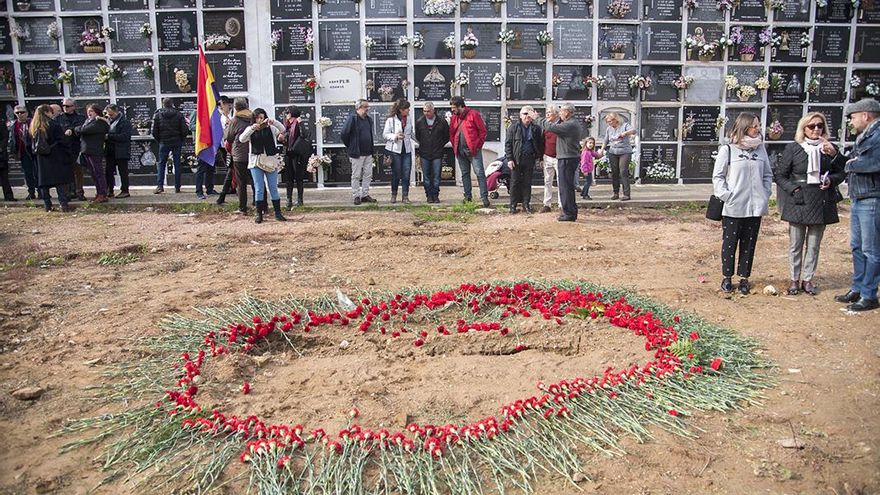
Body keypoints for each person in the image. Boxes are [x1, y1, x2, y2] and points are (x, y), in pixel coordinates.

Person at [774, 112, 846, 296]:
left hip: (821, 199)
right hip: (799, 199)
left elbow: (842, 171)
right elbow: (780, 175)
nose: (816, 129)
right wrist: (794, 189)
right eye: (812, 126)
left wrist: (831, 178)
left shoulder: (829, 148)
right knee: (795, 244)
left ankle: (807, 279)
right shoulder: (794, 148)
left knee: (813, 245)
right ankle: (794, 279)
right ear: (803, 128)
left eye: (820, 125)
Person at [712, 112, 773, 295]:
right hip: (734, 206)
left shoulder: (760, 149)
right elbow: (718, 176)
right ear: (744, 127)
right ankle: (727, 277)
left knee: (749, 243)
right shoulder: (728, 149)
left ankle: (744, 278)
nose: (757, 129)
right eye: (754, 126)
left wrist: (765, 193)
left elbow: (767, 174)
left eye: (758, 125)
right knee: (730, 243)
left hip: (755, 207)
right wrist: (726, 196)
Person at [834, 99, 880, 312]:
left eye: (853, 117)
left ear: (865, 115)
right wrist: (835, 155)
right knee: (857, 246)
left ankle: (869, 294)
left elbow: (873, 163)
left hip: (873, 197)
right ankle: (858, 288)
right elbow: (850, 161)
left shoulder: (878, 135)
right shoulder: (866, 135)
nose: (851, 122)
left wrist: (851, 164)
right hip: (859, 196)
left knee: (872, 249)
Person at [530, 103, 584, 222]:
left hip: (567, 158)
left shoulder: (569, 124)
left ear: (567, 112)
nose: (560, 113)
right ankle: (570, 211)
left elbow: (552, 128)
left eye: (561, 111)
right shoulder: (571, 123)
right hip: (567, 157)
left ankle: (568, 213)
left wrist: (537, 118)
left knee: (565, 186)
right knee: (567, 186)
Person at [238, 108, 286, 224]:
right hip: (256, 161)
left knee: (273, 187)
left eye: (262, 117)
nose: (260, 120)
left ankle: (278, 213)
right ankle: (259, 213)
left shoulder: (271, 128)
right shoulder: (251, 129)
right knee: (259, 188)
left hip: (270, 161)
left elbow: (282, 129)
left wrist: (273, 122)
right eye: (257, 118)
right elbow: (242, 139)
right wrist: (252, 129)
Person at [30, 104, 72, 212]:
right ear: (46, 112)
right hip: (55, 155)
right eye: (50, 111)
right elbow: (62, 141)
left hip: (41, 158)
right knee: (59, 182)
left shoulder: (34, 126)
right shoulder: (53, 124)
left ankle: (47, 205)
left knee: (44, 183)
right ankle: (63, 204)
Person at [449, 96, 489, 207]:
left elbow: (482, 131)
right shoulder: (454, 118)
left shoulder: (474, 115)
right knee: (465, 174)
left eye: (454, 107)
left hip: (473, 151)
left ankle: (484, 197)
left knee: (479, 173)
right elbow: (452, 133)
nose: (452, 110)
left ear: (460, 106)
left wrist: (477, 146)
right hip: (460, 151)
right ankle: (467, 197)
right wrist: (454, 145)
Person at [504, 105, 543, 214]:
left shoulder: (536, 128)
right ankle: (513, 205)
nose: (527, 116)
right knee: (514, 182)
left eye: (529, 114)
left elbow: (540, 144)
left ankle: (526, 204)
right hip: (517, 159)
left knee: (527, 182)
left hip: (529, 158)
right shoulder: (513, 127)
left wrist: (540, 158)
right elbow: (508, 144)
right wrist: (510, 159)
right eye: (525, 114)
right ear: (520, 115)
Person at [340, 99, 376, 205]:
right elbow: (344, 134)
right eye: (365, 107)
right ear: (358, 108)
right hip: (357, 153)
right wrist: (351, 146)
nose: (367, 109)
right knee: (356, 175)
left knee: (368, 174)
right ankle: (356, 195)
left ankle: (365, 194)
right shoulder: (353, 118)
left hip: (368, 152)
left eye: (368, 107)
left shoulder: (368, 119)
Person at [151, 97, 190, 193]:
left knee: (161, 164)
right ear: (172, 103)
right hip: (176, 141)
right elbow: (184, 129)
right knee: (177, 164)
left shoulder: (157, 115)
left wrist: (160, 140)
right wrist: (181, 139)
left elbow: (154, 131)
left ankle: (160, 186)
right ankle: (177, 187)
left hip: (164, 142)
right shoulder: (178, 114)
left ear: (163, 104)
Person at [223, 97, 254, 214]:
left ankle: (242, 207)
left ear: (235, 107)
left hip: (239, 155)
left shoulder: (235, 120)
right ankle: (259, 204)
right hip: (253, 153)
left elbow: (229, 137)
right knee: (256, 181)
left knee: (241, 183)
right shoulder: (253, 117)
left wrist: (228, 127)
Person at [414, 102, 449, 204]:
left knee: (436, 176)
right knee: (426, 176)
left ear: (433, 110)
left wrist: (439, 145)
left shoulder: (441, 122)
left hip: (437, 153)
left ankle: (435, 195)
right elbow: (418, 136)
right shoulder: (420, 122)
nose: (426, 113)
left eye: (428, 111)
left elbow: (446, 136)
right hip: (424, 152)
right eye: (424, 111)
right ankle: (429, 195)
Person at [383, 99, 416, 204]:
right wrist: (395, 136)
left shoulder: (409, 119)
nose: (408, 110)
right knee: (396, 174)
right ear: (401, 110)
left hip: (406, 150)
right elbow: (385, 134)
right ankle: (394, 195)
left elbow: (411, 133)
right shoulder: (391, 120)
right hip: (395, 150)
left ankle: (405, 196)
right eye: (407, 108)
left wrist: (421, 141)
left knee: (406, 173)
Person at [280, 105, 311, 209]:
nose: (286, 115)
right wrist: (281, 138)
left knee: (299, 177)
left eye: (287, 112)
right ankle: (289, 200)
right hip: (288, 153)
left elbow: (304, 135)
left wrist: (300, 123)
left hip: (297, 154)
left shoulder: (298, 123)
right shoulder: (286, 125)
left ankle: (300, 200)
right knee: (288, 178)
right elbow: (285, 140)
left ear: (292, 113)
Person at [601, 112, 636, 201]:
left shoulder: (625, 125)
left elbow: (633, 131)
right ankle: (615, 193)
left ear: (615, 120)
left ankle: (626, 194)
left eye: (610, 121)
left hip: (625, 152)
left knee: (623, 171)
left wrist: (625, 133)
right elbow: (605, 140)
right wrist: (601, 150)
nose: (609, 123)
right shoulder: (609, 129)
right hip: (613, 152)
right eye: (608, 122)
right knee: (614, 172)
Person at [57, 98, 86, 201]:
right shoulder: (58, 118)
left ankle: (79, 192)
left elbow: (83, 129)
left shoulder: (80, 118)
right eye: (64, 106)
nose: (65, 108)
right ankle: (68, 193)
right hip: (63, 149)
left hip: (76, 148)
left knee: (78, 172)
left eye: (68, 106)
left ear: (74, 107)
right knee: (65, 172)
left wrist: (72, 130)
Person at [104, 104, 132, 199]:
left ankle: (125, 190)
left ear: (116, 112)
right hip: (110, 151)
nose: (109, 116)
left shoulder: (125, 122)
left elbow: (124, 137)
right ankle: (109, 190)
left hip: (121, 150)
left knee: (123, 172)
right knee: (108, 171)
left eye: (111, 114)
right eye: (108, 114)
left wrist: (109, 136)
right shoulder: (109, 122)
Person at [10, 105, 37, 200]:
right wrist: (13, 151)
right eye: (17, 113)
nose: (20, 114)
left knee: (37, 173)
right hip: (22, 153)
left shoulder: (32, 123)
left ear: (27, 113)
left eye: (22, 112)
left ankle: (42, 192)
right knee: (28, 173)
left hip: (34, 151)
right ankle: (31, 192)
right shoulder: (14, 125)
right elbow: (12, 139)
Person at [540, 105, 560, 213]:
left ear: (556, 114)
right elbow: (542, 142)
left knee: (561, 182)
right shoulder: (545, 127)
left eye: (549, 112)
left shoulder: (561, 126)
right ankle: (547, 204)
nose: (547, 115)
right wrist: (541, 157)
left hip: (559, 157)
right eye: (546, 112)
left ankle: (561, 204)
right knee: (547, 181)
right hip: (547, 156)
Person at [0, 113, 11, 201]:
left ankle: (8, 196)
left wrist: (1, 148)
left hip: (1, 155)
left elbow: (5, 137)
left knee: (4, 176)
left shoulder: (1, 123)